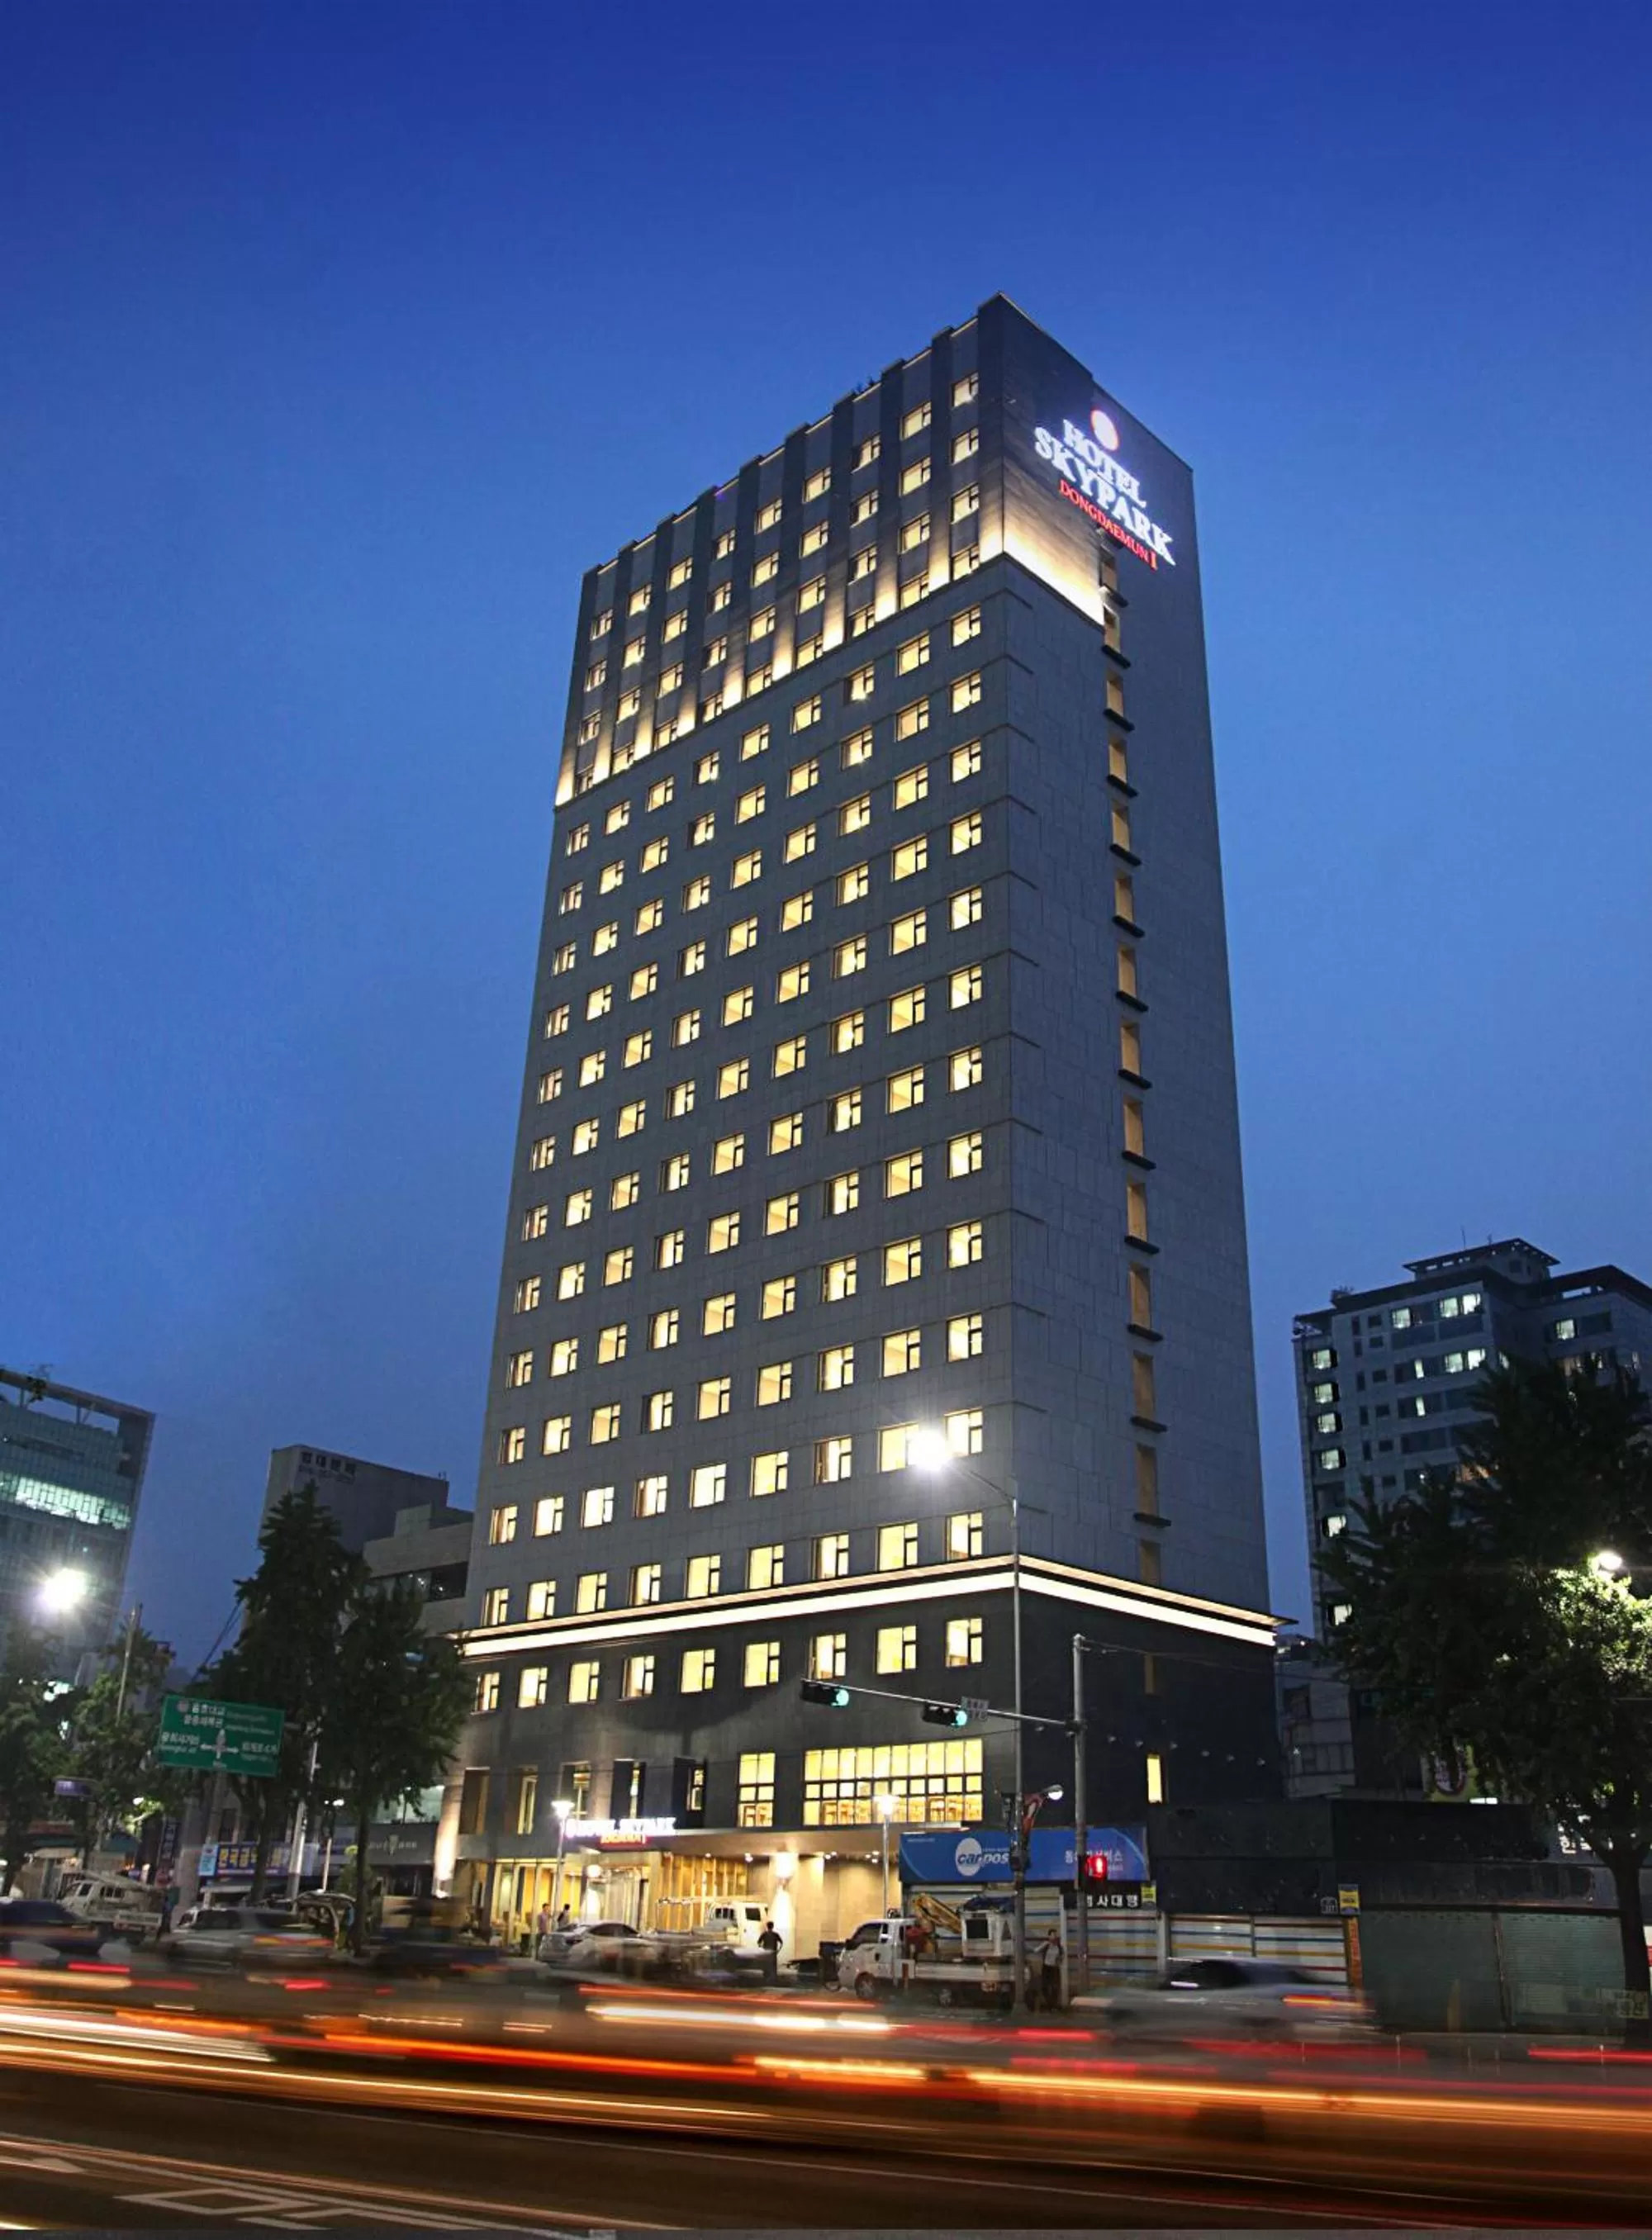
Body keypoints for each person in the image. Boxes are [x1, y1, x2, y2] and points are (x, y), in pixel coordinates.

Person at [1037, 1927, 1064, 2012]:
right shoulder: (1046, 1944)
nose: (1055, 1937)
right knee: (1044, 1987)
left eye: (1055, 1935)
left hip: (1055, 1968)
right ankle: (1049, 2004)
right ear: (1049, 1936)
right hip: (1046, 1967)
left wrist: (1059, 1959)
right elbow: (1036, 1950)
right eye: (1053, 1935)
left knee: (1055, 1987)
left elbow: (1062, 1956)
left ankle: (1053, 2006)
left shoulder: (1059, 1946)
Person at [757, 1918, 783, 1986]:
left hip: (766, 1953)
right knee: (773, 1966)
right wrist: (778, 1950)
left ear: (767, 1926)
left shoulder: (764, 1934)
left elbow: (758, 1942)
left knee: (766, 1965)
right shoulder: (775, 1934)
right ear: (773, 1926)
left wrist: (761, 1948)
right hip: (773, 1953)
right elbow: (781, 1943)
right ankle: (773, 1979)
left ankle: (766, 1979)